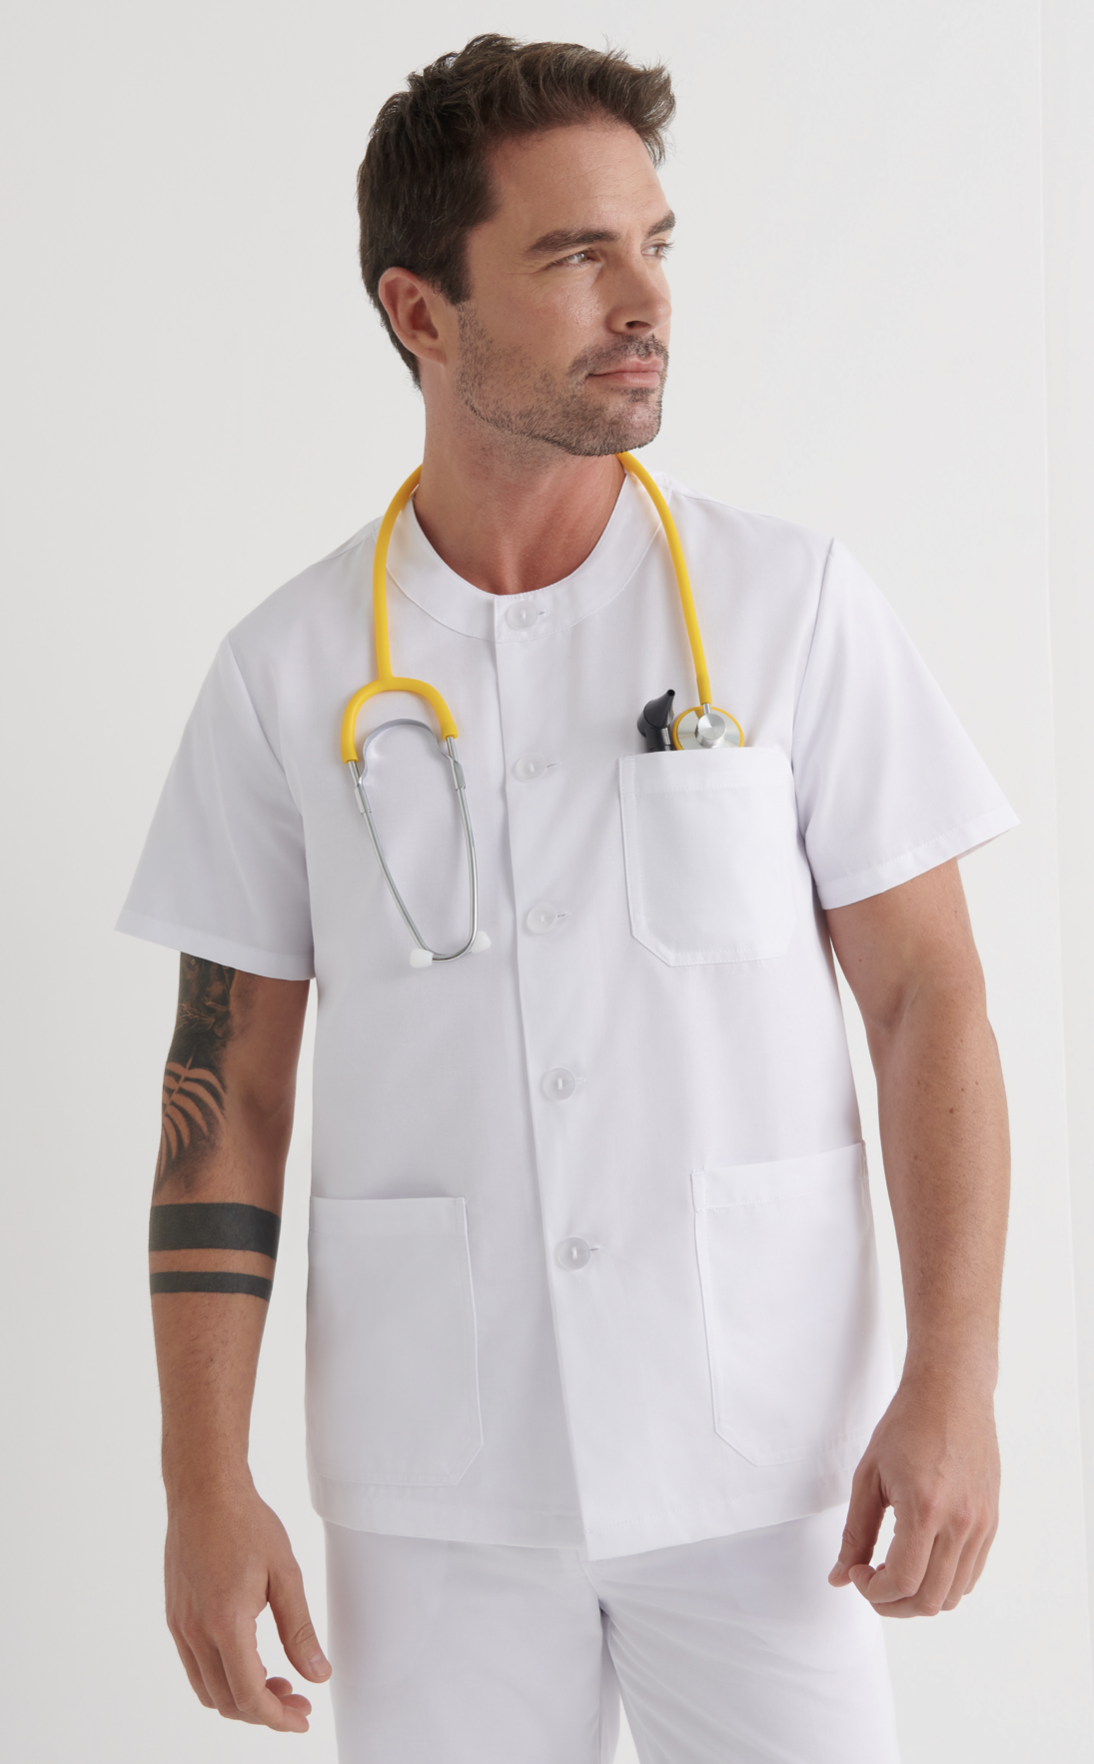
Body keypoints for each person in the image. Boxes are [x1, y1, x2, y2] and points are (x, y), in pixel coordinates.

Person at [120, 33, 1016, 1764]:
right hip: (437, 1490)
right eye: (574, 254)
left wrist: (953, 1381)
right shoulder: (284, 672)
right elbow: (225, 1098)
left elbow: (930, 1001)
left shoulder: (790, 608)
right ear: (419, 312)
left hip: (773, 1473)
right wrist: (202, 1485)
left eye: (654, 244)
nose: (644, 299)